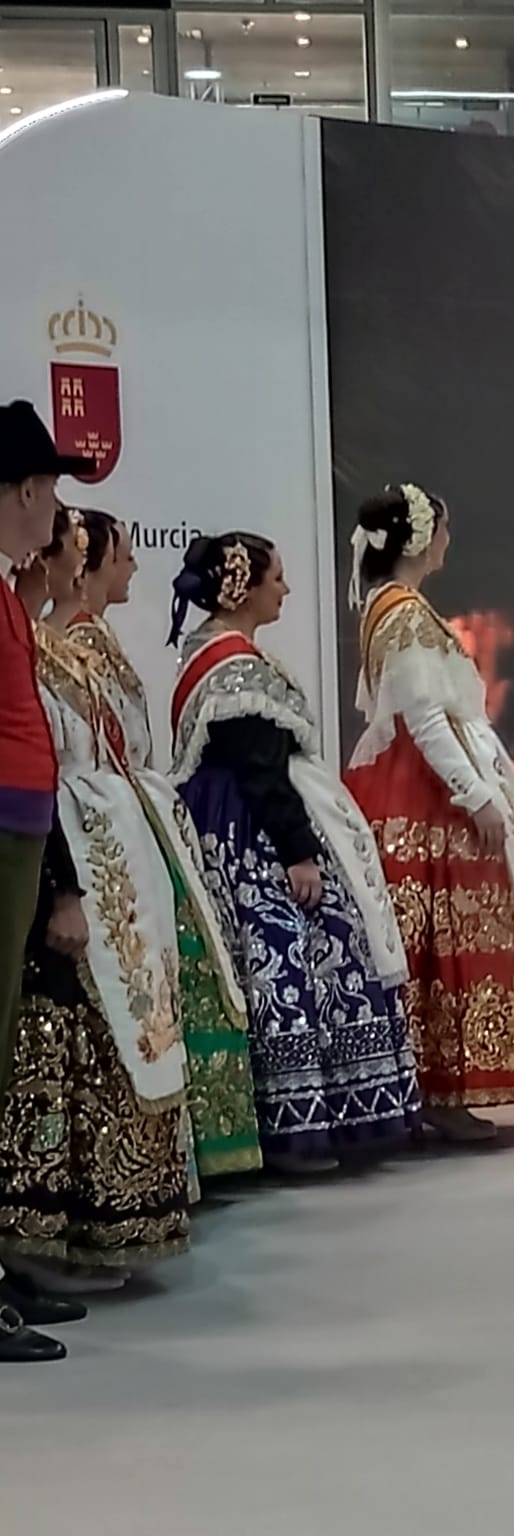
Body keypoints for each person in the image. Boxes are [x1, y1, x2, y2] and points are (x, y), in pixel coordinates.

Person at [168, 533, 420, 1175]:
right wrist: (298, 853)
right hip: (250, 828)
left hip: (228, 819)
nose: (284, 588)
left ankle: (308, 1118)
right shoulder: (236, 669)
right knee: (291, 954)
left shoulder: (213, 653)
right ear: (242, 589)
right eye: (276, 577)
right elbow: (261, 771)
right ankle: (296, 1124)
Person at [0, 510, 190, 1311]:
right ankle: (34, 1237)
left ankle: (68, 1233)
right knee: (49, 1039)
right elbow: (36, 764)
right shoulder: (39, 644)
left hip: (78, 847)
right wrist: (64, 885)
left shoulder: (51, 644)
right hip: (54, 851)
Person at [343, 486, 514, 1141]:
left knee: (430, 942)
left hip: (414, 785)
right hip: (427, 795)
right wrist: (476, 795)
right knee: (443, 940)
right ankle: (441, 1091)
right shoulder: (405, 614)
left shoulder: (392, 608)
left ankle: (433, 1091)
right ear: (417, 540)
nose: (446, 542)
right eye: (440, 529)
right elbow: (426, 717)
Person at [68, 508, 262, 1179]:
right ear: (90, 565)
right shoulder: (77, 642)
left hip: (140, 812)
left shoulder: (94, 636)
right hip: (114, 819)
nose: (133, 566)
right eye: (123, 556)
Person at [0, 403, 94, 1364]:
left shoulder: (3, 592)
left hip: (18, 833)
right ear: (25, 489)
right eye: (52, 492)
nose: (56, 512)